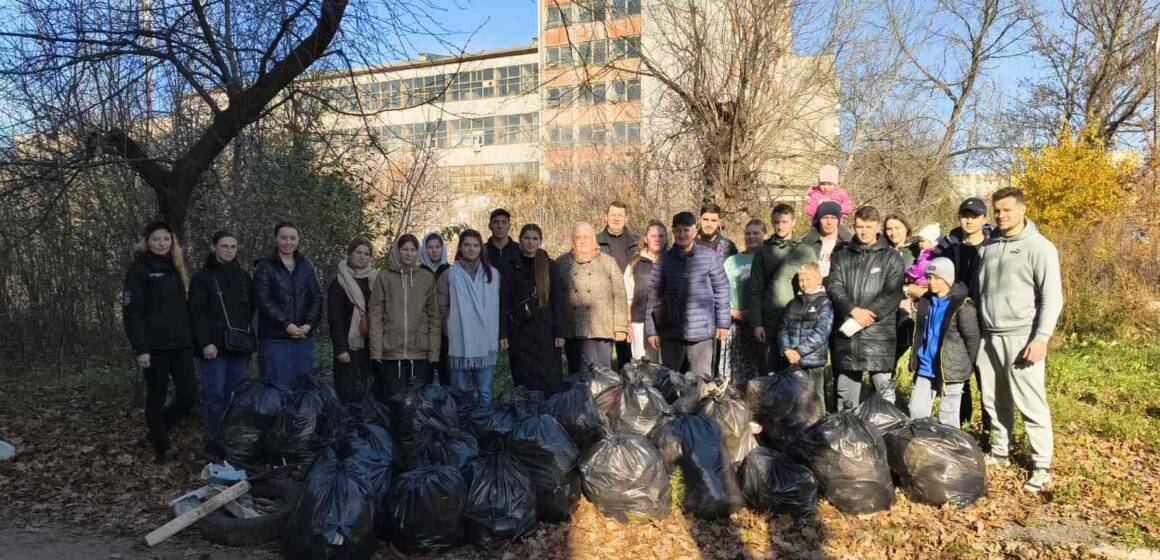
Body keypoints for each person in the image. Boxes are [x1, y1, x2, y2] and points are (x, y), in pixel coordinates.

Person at [974, 187, 1063, 493]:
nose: (1001, 215)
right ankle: (1000, 452)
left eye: (1007, 210)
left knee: (1030, 402)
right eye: (997, 210)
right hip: (989, 337)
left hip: (1022, 336)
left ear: (1023, 210)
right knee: (993, 400)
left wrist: (1041, 338)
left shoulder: (1040, 248)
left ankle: (1041, 466)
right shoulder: (988, 246)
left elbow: (1053, 298)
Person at [122, 221, 195, 464]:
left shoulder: (175, 267)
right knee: (157, 394)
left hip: (181, 345)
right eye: (156, 239)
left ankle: (158, 428)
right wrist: (140, 348)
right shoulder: (139, 270)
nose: (161, 243)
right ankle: (161, 447)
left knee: (187, 397)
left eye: (166, 239)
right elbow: (132, 312)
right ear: (147, 241)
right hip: (154, 347)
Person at [825, 206, 905, 411]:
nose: (863, 231)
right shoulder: (842, 256)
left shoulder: (891, 257)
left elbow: (893, 293)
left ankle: (889, 438)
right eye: (859, 226)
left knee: (886, 400)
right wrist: (853, 311)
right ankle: (848, 439)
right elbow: (834, 287)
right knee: (846, 400)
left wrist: (869, 314)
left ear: (877, 227)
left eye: (869, 226)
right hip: (848, 338)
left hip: (879, 336)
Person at [188, 230, 254, 451]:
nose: (229, 251)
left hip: (239, 347)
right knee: (215, 394)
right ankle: (214, 440)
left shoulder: (244, 277)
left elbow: (251, 310)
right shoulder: (202, 277)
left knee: (236, 396)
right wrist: (206, 342)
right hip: (214, 348)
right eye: (224, 246)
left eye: (233, 247)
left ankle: (233, 440)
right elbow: (196, 313)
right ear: (214, 247)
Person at [932, 197, 992, 429]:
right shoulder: (950, 247)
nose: (968, 220)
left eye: (974, 216)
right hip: (957, 316)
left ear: (984, 219)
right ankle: (963, 422)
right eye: (965, 215)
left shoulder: (992, 247)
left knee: (985, 375)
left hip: (985, 317)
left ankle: (989, 426)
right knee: (958, 372)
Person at [645, 212, 731, 376]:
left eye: (686, 230)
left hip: (701, 333)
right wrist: (652, 331)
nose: (682, 234)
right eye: (678, 231)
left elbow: (722, 290)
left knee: (701, 381)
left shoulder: (709, 257)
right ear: (673, 232)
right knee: (671, 381)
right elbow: (653, 297)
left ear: (694, 231)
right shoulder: (663, 261)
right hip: (671, 331)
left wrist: (723, 323)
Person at [907, 258, 981, 427]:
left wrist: (967, 366)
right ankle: (920, 446)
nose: (931, 282)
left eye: (936, 278)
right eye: (929, 277)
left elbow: (972, 339)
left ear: (947, 279)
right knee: (916, 412)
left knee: (948, 417)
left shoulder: (962, 305)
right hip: (926, 366)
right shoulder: (926, 301)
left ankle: (950, 451)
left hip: (952, 369)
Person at [746, 203, 817, 371]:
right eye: (776, 222)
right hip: (770, 324)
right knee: (770, 375)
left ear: (793, 222)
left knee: (797, 378)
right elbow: (755, 290)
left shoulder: (806, 251)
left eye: (784, 222)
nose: (780, 226)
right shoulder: (763, 252)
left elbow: (816, 289)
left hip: (799, 324)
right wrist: (757, 323)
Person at [252, 222, 322, 391]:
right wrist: (286, 325)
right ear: (276, 239)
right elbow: (262, 300)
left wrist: (308, 324)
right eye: (283, 238)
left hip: (303, 339)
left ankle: (301, 419)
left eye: (293, 238)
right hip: (275, 339)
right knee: (276, 389)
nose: (288, 242)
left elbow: (317, 298)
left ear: (298, 240)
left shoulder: (306, 266)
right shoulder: (265, 266)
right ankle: (278, 419)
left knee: (303, 389)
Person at [369, 234, 440, 401]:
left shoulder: (426, 278)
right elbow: (376, 315)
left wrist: (434, 353)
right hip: (391, 351)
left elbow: (434, 317)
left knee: (418, 403)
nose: (409, 253)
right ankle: (397, 428)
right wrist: (376, 351)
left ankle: (416, 429)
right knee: (394, 401)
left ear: (418, 252)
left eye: (413, 250)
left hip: (420, 351)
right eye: (405, 249)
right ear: (397, 251)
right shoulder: (384, 277)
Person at [553, 222, 629, 375]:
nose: (582, 241)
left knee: (603, 377)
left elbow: (620, 294)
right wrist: (558, 329)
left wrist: (620, 327)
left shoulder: (608, 262)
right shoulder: (561, 263)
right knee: (578, 377)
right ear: (572, 240)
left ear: (594, 239)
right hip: (573, 330)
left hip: (602, 329)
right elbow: (556, 298)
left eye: (586, 237)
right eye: (578, 237)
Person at [438, 229, 501, 405]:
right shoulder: (449, 274)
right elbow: (441, 309)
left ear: (481, 248)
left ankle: (485, 427)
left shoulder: (493, 274)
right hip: (459, 340)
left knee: (485, 391)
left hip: (485, 339)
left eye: (475, 245)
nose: (471, 249)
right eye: (467, 245)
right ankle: (463, 427)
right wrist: (448, 331)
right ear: (460, 247)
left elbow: (498, 307)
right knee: (459, 391)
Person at [500, 224, 565, 395]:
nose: (530, 242)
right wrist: (503, 333)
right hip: (519, 330)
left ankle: (549, 414)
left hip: (546, 330)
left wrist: (560, 332)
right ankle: (527, 414)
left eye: (535, 238)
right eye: (527, 238)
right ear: (520, 240)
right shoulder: (510, 265)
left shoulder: (550, 265)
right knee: (523, 376)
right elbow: (504, 301)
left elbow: (558, 300)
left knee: (549, 376)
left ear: (540, 241)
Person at [778, 262, 833, 413]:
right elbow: (783, 328)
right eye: (801, 280)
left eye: (808, 279)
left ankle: (819, 430)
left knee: (815, 400)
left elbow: (821, 333)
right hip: (792, 361)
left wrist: (799, 351)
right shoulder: (793, 304)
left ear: (819, 280)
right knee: (795, 401)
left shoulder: (825, 303)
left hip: (813, 363)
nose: (803, 284)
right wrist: (787, 350)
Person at [327, 237, 376, 402]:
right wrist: (341, 349)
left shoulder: (374, 280)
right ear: (349, 254)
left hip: (370, 344)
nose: (362, 256)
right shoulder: (340, 282)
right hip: (348, 346)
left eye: (366, 253)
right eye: (358, 252)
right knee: (348, 391)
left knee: (367, 390)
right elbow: (335, 319)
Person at [720, 219, 767, 387]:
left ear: (764, 235)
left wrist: (752, 313)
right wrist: (730, 310)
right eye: (748, 233)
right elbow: (721, 288)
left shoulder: (768, 259)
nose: (751, 237)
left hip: (759, 324)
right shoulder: (732, 261)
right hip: (734, 323)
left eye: (756, 233)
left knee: (757, 371)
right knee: (735, 371)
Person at [596, 201, 640, 368]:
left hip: (629, 303)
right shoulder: (595, 242)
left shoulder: (637, 243)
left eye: (620, 215)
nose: (616, 218)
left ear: (626, 218)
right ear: (606, 217)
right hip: (604, 304)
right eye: (613, 215)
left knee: (627, 355)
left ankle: (627, 387)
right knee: (603, 354)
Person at [624, 221, 667, 362]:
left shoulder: (673, 261)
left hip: (667, 324)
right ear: (645, 238)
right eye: (653, 235)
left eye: (661, 235)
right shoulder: (635, 263)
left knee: (666, 368)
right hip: (639, 322)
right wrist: (628, 324)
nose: (657, 239)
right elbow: (628, 296)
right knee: (643, 366)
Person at [884, 212, 921, 363]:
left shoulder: (916, 250)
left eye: (897, 228)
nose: (893, 233)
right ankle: (886, 385)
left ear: (906, 228)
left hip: (914, 309)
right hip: (889, 310)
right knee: (890, 354)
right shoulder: (883, 252)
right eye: (889, 229)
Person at [420, 231, 452, 385]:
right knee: (425, 368)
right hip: (424, 328)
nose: (434, 250)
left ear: (443, 249)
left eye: (437, 247)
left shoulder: (451, 271)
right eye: (430, 247)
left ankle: (451, 401)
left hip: (446, 327)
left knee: (447, 367)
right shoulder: (417, 272)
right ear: (424, 250)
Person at [801, 201, 852, 277]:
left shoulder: (849, 244)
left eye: (833, 218)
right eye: (825, 218)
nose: (829, 222)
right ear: (819, 219)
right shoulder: (807, 243)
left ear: (838, 220)